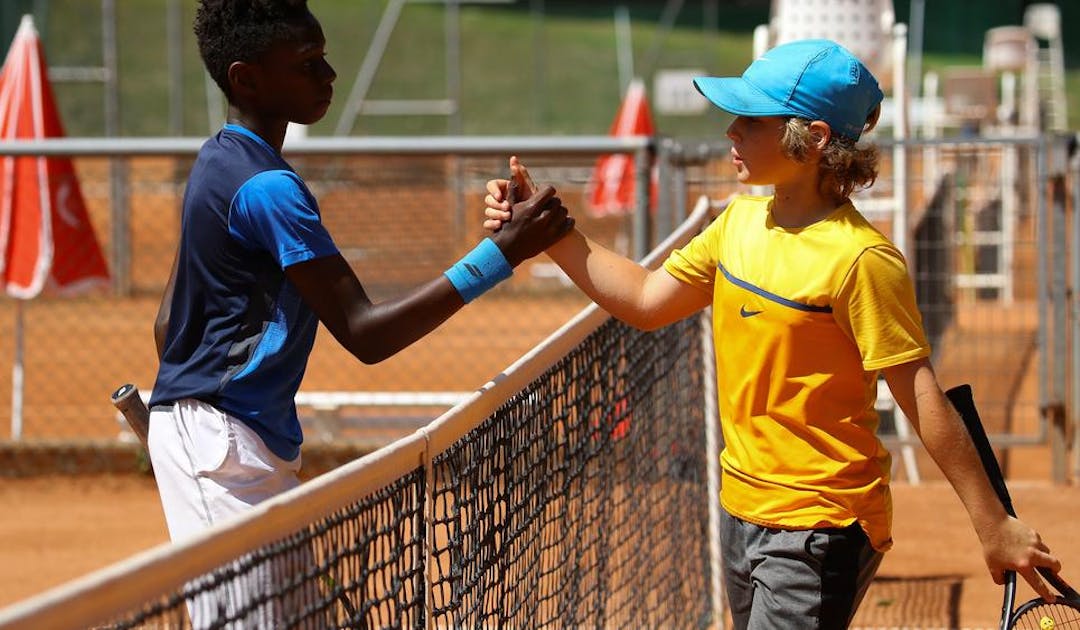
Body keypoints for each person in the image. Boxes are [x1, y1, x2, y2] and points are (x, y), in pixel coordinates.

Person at [483, 39, 1061, 629]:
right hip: (739, 509)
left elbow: (920, 396)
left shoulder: (861, 260)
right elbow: (645, 300)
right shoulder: (737, 224)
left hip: (820, 525)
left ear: (810, 139)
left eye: (752, 119)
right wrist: (546, 231)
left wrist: (993, 523)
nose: (732, 131)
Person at [149, 0, 570, 557]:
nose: (328, 75)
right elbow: (365, 334)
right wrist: (501, 255)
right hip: (224, 450)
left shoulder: (218, 161)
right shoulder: (268, 188)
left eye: (323, 57)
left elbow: (166, 327)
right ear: (246, 80)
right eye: (307, 63)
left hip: (235, 443)